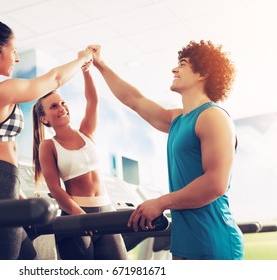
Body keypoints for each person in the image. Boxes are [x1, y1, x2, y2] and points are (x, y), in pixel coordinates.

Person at [88, 41, 244, 260]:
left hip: (213, 242)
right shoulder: (178, 119)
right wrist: (100, 65)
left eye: (183, 64)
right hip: (184, 245)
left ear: (203, 73)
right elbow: (134, 100)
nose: (174, 69)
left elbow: (215, 184)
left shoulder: (213, 116)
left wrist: (160, 203)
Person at [0, 18, 92, 260]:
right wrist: (83, 59)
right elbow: (55, 79)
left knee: (29, 260)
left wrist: (16, 194)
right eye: (13, 50)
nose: (17, 58)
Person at [32, 61, 128, 260]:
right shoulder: (48, 146)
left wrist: (86, 70)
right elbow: (56, 189)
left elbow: (93, 100)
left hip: (106, 211)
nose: (62, 108)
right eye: (54, 106)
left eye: (63, 103)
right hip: (76, 215)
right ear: (44, 119)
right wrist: (80, 216)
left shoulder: (87, 132)